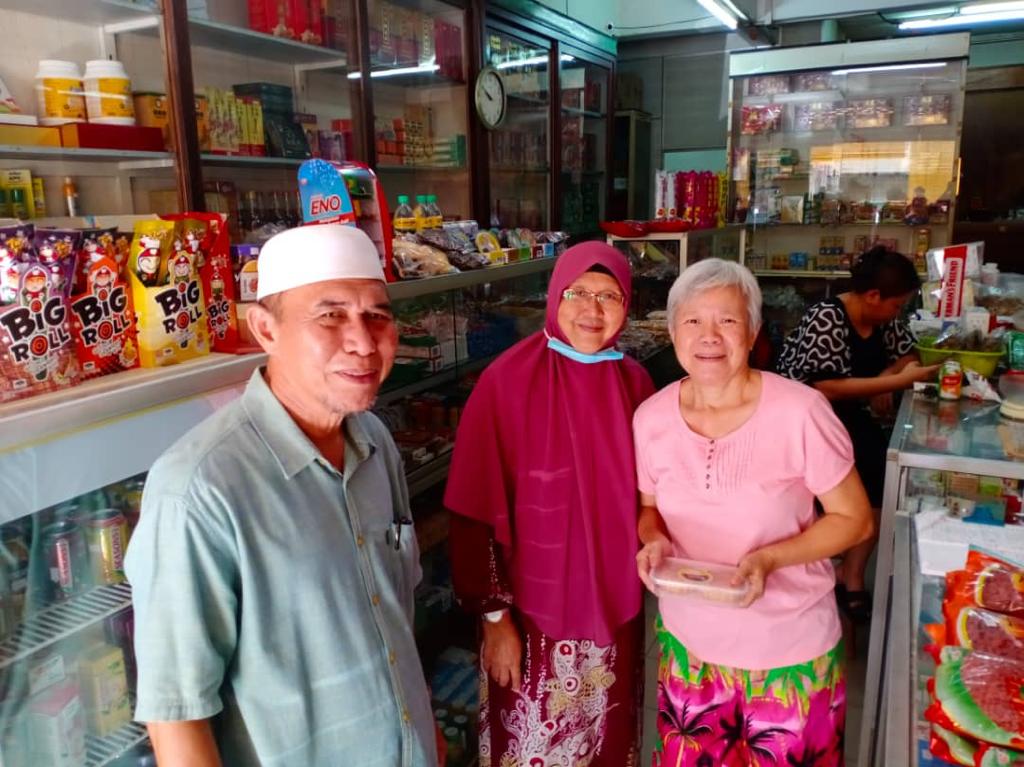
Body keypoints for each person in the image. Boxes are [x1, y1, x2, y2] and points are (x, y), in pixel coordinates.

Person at [125, 225, 438, 767]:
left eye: (378, 316)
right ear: (265, 329)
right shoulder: (198, 489)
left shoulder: (373, 440)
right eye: (330, 315)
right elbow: (177, 713)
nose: (363, 342)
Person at [634, 258, 874, 767]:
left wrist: (769, 559)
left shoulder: (800, 411)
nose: (709, 336)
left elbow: (855, 519)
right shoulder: (651, 419)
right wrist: (652, 539)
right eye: (693, 320)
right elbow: (649, 509)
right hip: (688, 650)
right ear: (673, 331)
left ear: (754, 332)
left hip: (789, 652)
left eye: (727, 320)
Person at [444, 242, 655, 767]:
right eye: (578, 292)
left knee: (609, 741)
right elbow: (472, 509)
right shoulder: (507, 383)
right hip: (529, 620)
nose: (593, 309)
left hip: (616, 611)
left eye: (609, 295)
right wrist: (496, 623)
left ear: (627, 305)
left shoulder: (635, 383)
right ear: (554, 297)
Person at [776, 246, 938, 621]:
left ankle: (851, 572)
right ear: (873, 296)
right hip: (802, 419)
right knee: (839, 487)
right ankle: (818, 566)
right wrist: (892, 381)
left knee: (883, 478)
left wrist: (885, 380)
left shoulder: (883, 319)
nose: (898, 313)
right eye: (896, 305)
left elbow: (908, 356)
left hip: (849, 414)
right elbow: (825, 387)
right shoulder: (827, 317)